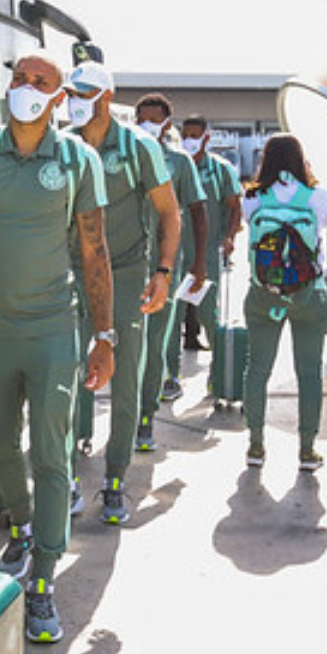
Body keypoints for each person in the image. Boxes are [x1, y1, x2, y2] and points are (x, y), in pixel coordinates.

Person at [0, 51, 115, 644]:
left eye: (42, 82)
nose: (28, 88)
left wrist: (104, 334)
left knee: (50, 449)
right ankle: (20, 524)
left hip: (52, 331)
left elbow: (93, 250)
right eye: (20, 79)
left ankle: (42, 580)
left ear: (60, 99)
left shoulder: (76, 159)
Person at [63, 62, 180, 524]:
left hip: (129, 274)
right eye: (72, 91)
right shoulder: (64, 145)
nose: (76, 99)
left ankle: (115, 479)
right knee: (68, 374)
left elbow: (169, 214)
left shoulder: (138, 147)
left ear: (107, 98)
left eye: (85, 91)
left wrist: (163, 273)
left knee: (126, 376)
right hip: (72, 272)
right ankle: (68, 474)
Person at [239, 133, 327, 471]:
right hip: (310, 294)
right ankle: (307, 450)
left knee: (257, 369)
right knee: (310, 373)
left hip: (263, 293)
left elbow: (247, 227)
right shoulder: (317, 196)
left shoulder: (252, 198)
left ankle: (255, 446)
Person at [131, 94, 207, 446]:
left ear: (166, 123)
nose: (148, 123)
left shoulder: (178, 162)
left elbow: (196, 211)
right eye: (141, 117)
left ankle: (145, 418)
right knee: (124, 347)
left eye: (154, 119)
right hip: (125, 266)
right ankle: (123, 419)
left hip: (163, 268)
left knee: (155, 345)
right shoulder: (122, 158)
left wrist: (199, 260)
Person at [181, 116, 245, 381]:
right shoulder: (174, 165)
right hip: (175, 253)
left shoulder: (221, 169)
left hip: (207, 254)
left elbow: (234, 207)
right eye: (185, 134)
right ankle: (169, 377)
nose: (189, 140)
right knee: (170, 321)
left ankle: (218, 375)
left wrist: (230, 237)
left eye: (195, 135)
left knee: (209, 315)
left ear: (206, 138)